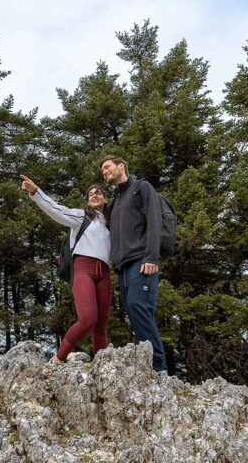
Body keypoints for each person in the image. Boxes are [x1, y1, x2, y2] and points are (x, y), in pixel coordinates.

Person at [20, 174, 111, 364]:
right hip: (83, 269)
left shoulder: (111, 224)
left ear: (105, 199)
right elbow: (56, 210)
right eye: (91, 194)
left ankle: (102, 367)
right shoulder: (81, 217)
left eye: (99, 193)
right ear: (87, 201)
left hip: (104, 273)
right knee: (87, 319)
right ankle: (58, 359)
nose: (95, 195)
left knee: (101, 326)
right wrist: (36, 192)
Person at [99, 155, 167, 372]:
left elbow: (155, 221)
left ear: (121, 167)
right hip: (123, 267)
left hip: (142, 260)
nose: (105, 171)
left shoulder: (141, 187)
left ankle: (159, 368)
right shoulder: (117, 201)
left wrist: (151, 257)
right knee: (134, 312)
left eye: (107, 167)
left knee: (139, 306)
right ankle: (149, 366)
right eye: (102, 170)